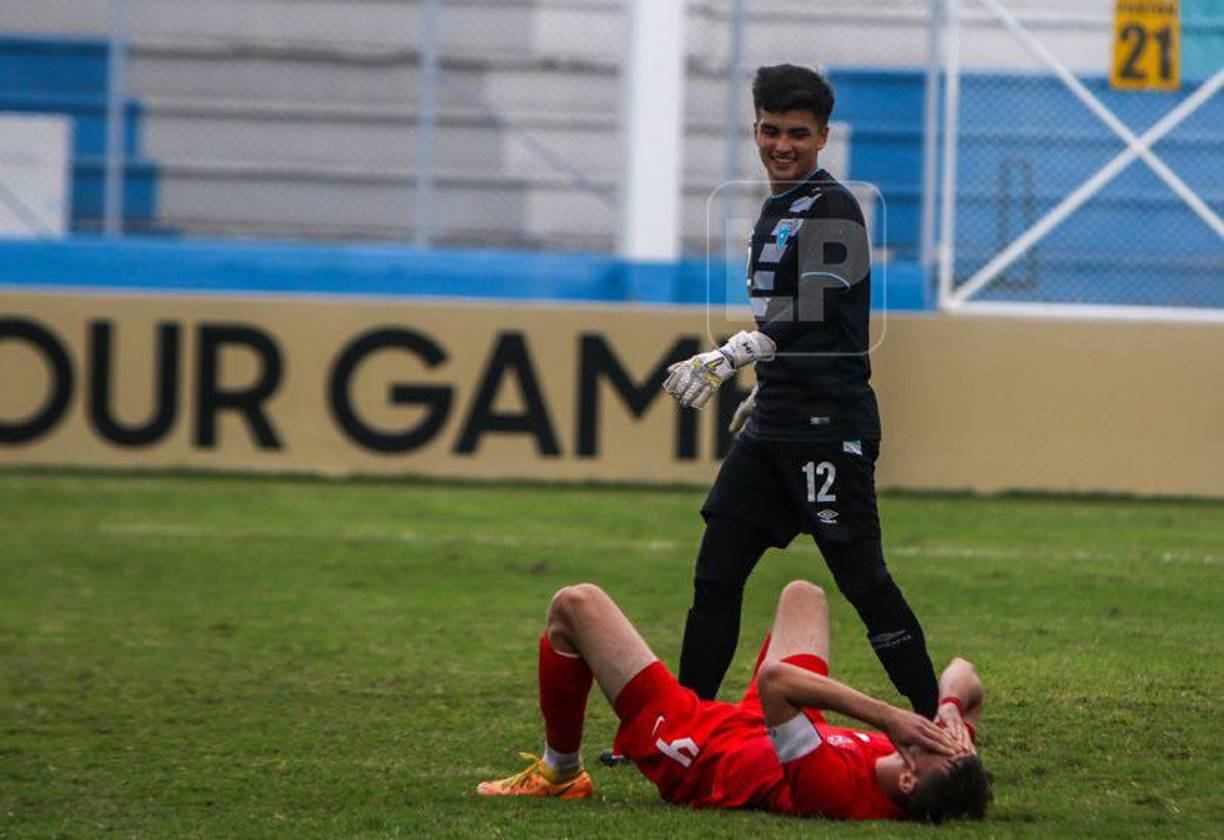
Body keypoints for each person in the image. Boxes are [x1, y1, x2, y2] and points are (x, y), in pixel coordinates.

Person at [660, 63, 941, 718]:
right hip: (776, 423)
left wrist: (744, 349)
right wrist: (770, 376)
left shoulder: (835, 205)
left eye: (796, 133)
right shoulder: (774, 207)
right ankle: (680, 730)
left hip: (827, 424)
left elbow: (821, 300)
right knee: (715, 575)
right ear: (754, 128)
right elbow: (805, 321)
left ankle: (939, 725)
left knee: (864, 582)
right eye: (769, 130)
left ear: (822, 136)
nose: (780, 144)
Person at [478, 581, 992, 823]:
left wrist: (890, 716)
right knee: (803, 595)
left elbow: (775, 682)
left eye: (939, 745)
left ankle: (559, 772)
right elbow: (965, 673)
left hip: (694, 745)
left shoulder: (834, 791)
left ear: (908, 776)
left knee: (574, 605)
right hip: (770, 727)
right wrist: (949, 706)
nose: (942, 738)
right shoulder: (936, 762)